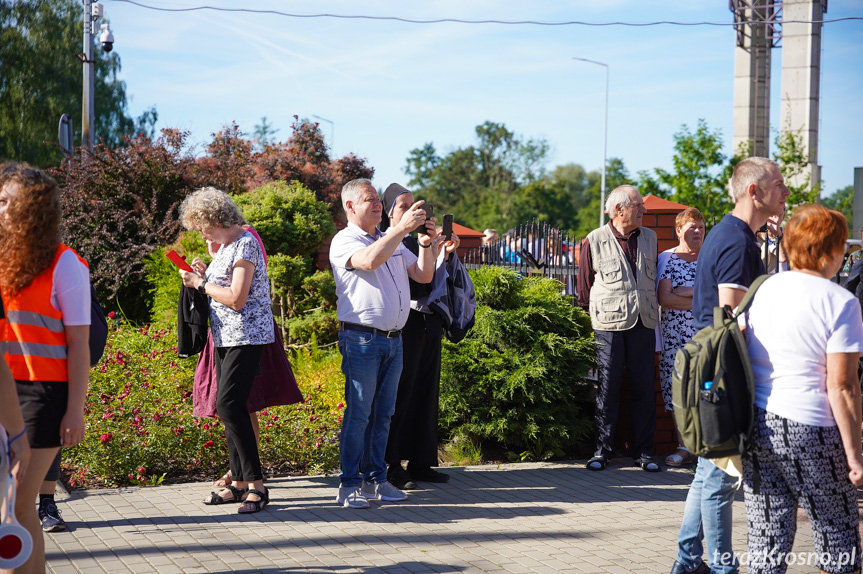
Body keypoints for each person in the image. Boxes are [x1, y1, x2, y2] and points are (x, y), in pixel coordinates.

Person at [671, 157, 790, 574]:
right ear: (754, 192)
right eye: (779, 184)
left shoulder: (730, 234)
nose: (786, 192)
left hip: (712, 370)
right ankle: (722, 568)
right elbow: (731, 317)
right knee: (721, 479)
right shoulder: (737, 241)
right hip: (725, 373)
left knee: (709, 473)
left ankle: (687, 560)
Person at [740, 204, 863, 574]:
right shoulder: (840, 302)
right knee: (837, 537)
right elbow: (842, 386)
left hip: (757, 422)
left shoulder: (764, 289)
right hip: (812, 427)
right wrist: (855, 455)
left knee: (766, 539)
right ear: (832, 250)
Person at [0, 162, 89, 573]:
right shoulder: (3, 258)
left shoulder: (66, 263)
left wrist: (75, 410)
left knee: (17, 502)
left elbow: (79, 344)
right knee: (13, 507)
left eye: (5, 200)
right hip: (5, 389)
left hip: (43, 395)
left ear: (31, 207)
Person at [329, 178, 440, 509]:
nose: (377, 203)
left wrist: (426, 244)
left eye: (378, 198)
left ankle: (377, 480)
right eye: (369, 199)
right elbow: (368, 262)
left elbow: (423, 276)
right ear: (350, 206)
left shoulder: (389, 239)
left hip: (394, 340)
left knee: (384, 416)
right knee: (360, 414)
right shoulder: (344, 240)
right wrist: (400, 230)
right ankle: (349, 485)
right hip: (362, 339)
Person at [179, 187, 274, 514]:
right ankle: (237, 484)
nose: (200, 231)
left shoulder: (246, 243)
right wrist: (204, 274)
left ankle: (257, 487)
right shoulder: (229, 246)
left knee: (229, 404)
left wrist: (199, 284)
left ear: (215, 218)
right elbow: (222, 289)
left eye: (201, 224)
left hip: (246, 336)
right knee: (230, 406)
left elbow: (237, 297)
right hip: (225, 337)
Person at [380, 183, 460, 490]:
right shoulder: (388, 241)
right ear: (389, 214)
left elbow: (435, 280)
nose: (415, 211)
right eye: (404, 207)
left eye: (416, 206)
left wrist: (445, 252)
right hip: (405, 326)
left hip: (430, 324)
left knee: (426, 392)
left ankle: (421, 461)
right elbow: (416, 286)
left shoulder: (419, 241)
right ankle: (392, 464)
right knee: (401, 395)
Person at [576, 184, 660, 473]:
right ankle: (602, 451)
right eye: (638, 205)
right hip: (607, 326)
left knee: (643, 389)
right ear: (619, 210)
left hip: (644, 322)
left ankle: (644, 453)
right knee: (607, 388)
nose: (644, 210)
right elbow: (583, 290)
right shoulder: (594, 239)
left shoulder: (650, 237)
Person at [657, 208, 705, 467]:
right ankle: (684, 446)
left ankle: (705, 446)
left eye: (701, 227)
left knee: (704, 390)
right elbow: (664, 298)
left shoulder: (711, 259)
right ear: (678, 230)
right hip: (674, 340)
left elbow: (716, 297)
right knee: (678, 391)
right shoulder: (667, 259)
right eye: (691, 227)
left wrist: (686, 291)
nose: (697, 231)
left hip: (706, 339)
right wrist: (699, 296)